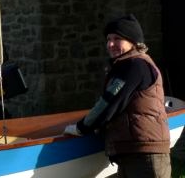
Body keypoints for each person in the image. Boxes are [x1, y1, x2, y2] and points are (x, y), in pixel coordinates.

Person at [64, 14, 171, 177]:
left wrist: (81, 128)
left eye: (117, 39)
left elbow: (108, 103)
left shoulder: (135, 66)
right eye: (108, 39)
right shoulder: (130, 64)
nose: (110, 44)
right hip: (134, 153)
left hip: (145, 155)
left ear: (133, 42)